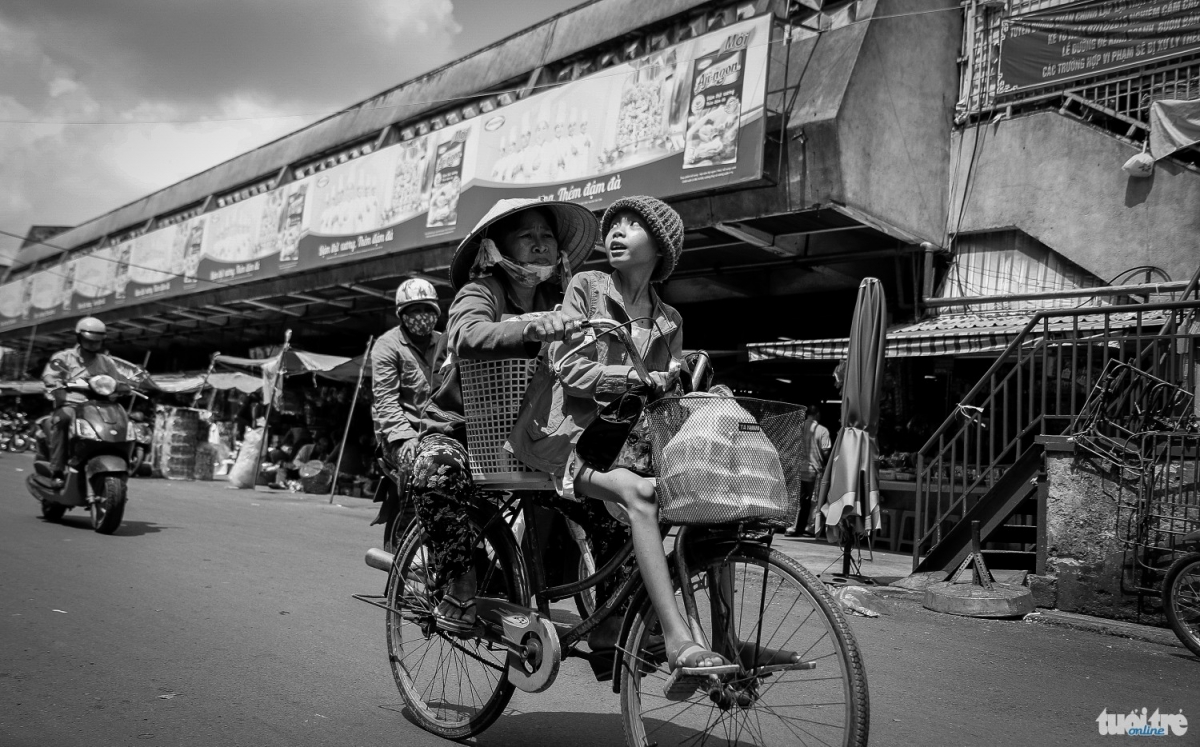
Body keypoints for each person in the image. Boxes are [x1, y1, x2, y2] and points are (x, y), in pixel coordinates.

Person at [509, 195, 733, 689]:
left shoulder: (670, 320)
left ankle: (727, 640)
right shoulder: (587, 287)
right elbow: (567, 368)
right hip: (566, 440)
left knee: (718, 501)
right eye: (614, 224)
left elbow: (665, 399)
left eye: (633, 225)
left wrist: (688, 390)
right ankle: (676, 639)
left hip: (627, 445)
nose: (617, 231)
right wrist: (631, 378)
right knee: (640, 494)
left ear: (661, 247)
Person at [409, 197, 600, 634]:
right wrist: (528, 329)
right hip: (462, 430)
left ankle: (613, 624)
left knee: (609, 499)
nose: (540, 244)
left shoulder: (563, 299)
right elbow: (468, 333)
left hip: (534, 437)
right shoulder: (480, 292)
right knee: (434, 473)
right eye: (526, 235)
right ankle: (460, 583)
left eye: (547, 235)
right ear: (497, 248)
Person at [369, 278, 444, 541]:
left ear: (436, 312)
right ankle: (404, 541)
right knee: (418, 467)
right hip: (399, 436)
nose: (422, 316)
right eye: (415, 310)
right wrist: (406, 439)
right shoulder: (387, 345)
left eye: (427, 309)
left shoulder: (445, 342)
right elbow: (386, 401)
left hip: (438, 431)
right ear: (402, 315)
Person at [41, 317, 127, 486]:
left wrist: (123, 387)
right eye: (90, 340)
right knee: (62, 420)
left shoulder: (106, 362)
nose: (94, 344)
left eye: (97, 341)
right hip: (71, 404)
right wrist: (54, 382)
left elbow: (116, 381)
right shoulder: (64, 357)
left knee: (120, 423)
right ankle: (57, 470)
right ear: (79, 338)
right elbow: (50, 375)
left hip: (99, 406)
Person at [788, 403, 833, 537]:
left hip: (798, 469)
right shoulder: (822, 430)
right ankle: (810, 527)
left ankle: (792, 526)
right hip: (814, 470)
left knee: (797, 499)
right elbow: (825, 451)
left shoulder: (797, 429)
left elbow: (791, 448)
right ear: (817, 414)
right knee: (814, 500)